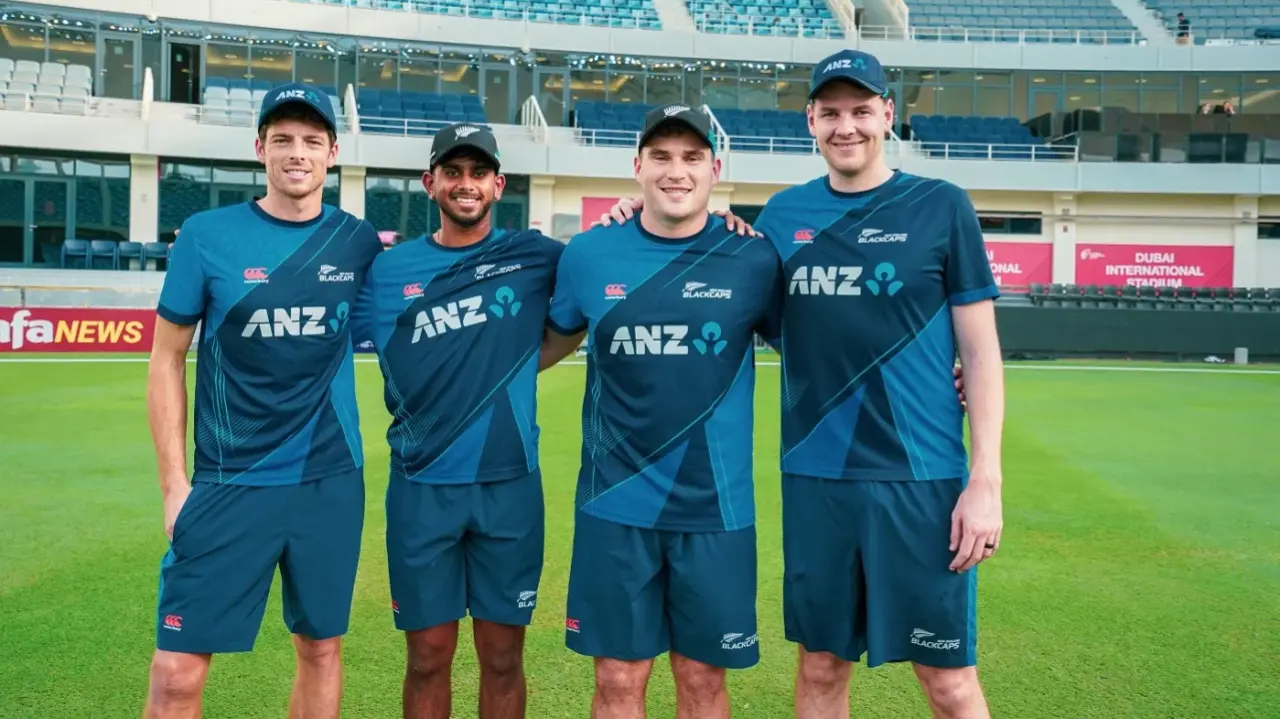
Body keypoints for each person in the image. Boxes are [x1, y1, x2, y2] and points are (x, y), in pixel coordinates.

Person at [597, 49, 1002, 720]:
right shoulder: (780, 221)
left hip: (923, 478)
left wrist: (985, 481)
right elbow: (713, 275)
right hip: (816, 479)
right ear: (809, 120)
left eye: (862, 111)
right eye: (832, 113)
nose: (848, 127)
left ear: (887, 116)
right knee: (819, 668)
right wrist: (630, 215)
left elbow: (982, 354)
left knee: (948, 679)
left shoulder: (941, 206)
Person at [144, 82, 382, 720]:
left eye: (311, 141)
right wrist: (174, 483)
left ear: (332, 152)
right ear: (260, 149)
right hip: (228, 481)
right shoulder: (206, 234)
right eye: (283, 140)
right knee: (175, 671)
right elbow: (166, 357)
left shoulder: (358, 243)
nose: (296, 153)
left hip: (328, 480)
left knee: (321, 648)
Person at [539, 105, 784, 720]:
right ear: (638, 166)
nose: (677, 171)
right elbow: (545, 342)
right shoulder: (589, 255)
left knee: (702, 681)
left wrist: (948, 366)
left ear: (714, 168)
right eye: (663, 157)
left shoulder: (753, 259)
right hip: (614, 506)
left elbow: (820, 349)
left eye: (692, 157)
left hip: (716, 511)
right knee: (619, 680)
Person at [347, 122, 562, 720]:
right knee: (427, 658)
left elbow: (591, 296)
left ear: (499, 184)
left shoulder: (537, 257)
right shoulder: (387, 270)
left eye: (477, 174)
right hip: (421, 488)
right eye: (452, 173)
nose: (465, 185)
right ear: (430, 183)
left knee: (502, 658)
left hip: (509, 485)